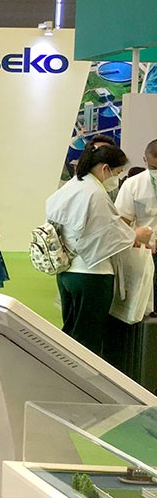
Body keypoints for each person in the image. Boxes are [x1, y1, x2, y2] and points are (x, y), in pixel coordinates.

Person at [45, 144, 152, 355]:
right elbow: (108, 233)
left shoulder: (71, 186)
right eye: (117, 172)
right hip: (92, 274)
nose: (116, 179)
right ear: (105, 168)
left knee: (70, 333)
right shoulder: (96, 194)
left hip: (66, 272)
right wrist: (136, 235)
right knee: (88, 339)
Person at [114, 138, 157, 313]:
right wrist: (135, 238)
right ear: (145, 160)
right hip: (145, 252)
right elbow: (122, 222)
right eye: (154, 168)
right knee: (145, 306)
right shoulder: (133, 184)